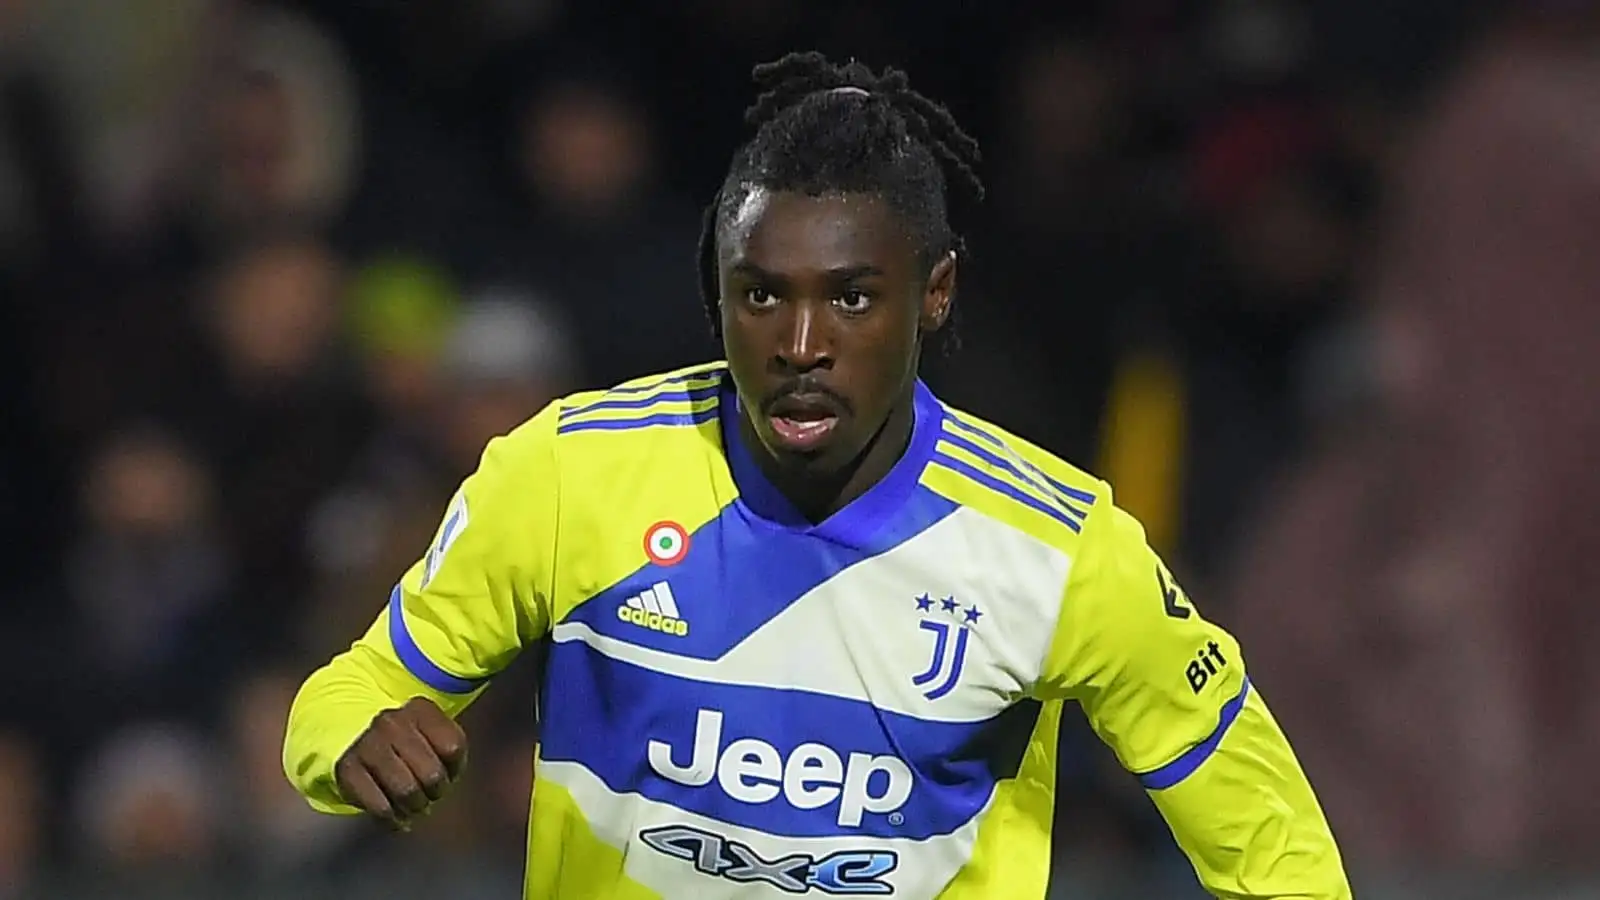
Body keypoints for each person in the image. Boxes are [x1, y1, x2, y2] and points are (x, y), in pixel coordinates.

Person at [283, 52, 1351, 899]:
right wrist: (353, 742)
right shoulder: (571, 472)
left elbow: (1274, 851)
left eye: (849, 297)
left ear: (933, 296)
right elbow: (349, 693)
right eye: (760, 296)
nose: (799, 341)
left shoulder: (1059, 549)